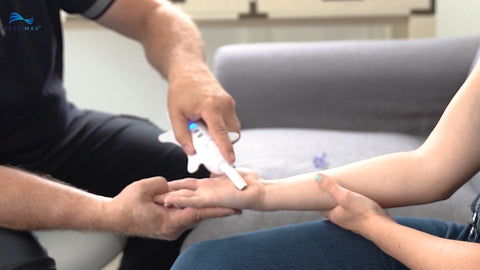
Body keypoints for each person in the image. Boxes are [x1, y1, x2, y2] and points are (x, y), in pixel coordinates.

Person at [161, 54, 480, 269]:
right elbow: (430, 168)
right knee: (204, 262)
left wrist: (373, 226)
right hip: (463, 242)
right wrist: (265, 192)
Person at [0, 0, 240, 269]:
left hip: (50, 131)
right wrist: (108, 213)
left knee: (184, 177)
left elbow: (153, 13)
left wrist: (190, 71)